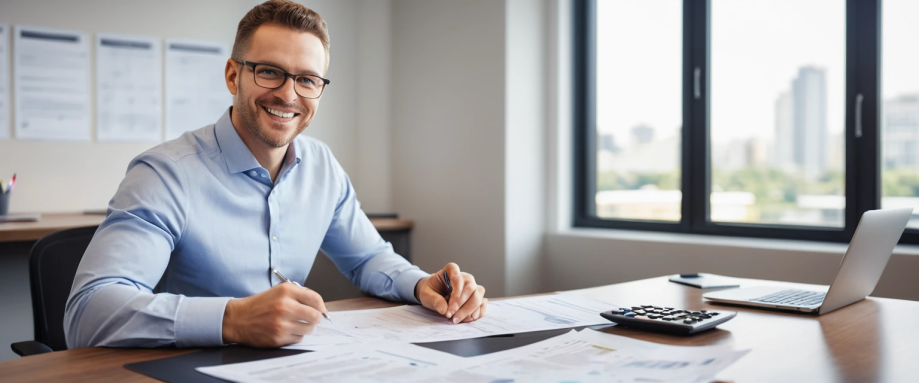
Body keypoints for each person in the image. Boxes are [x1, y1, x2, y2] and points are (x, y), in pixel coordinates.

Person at [64, 0, 487, 349]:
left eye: (307, 79)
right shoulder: (166, 175)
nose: (288, 94)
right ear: (234, 75)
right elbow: (88, 312)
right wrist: (233, 319)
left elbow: (367, 258)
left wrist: (419, 285)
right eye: (269, 71)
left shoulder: (321, 166)